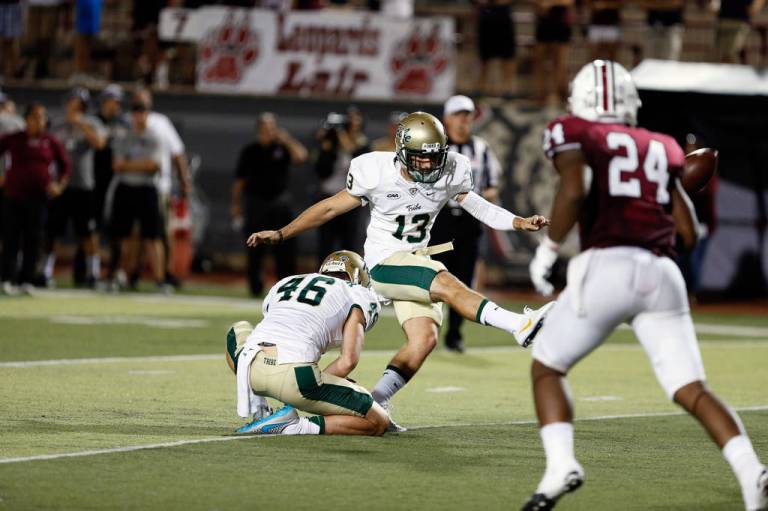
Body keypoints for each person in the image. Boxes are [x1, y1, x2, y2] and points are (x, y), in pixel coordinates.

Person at [523, 60, 767, 510]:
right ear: (631, 102)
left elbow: (574, 189)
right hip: (662, 274)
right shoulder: (662, 145)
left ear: (581, 101)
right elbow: (688, 234)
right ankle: (752, 471)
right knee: (690, 387)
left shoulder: (572, 130)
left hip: (606, 264)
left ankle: (561, 465)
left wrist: (548, 250)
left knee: (547, 367)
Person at [248, 111, 553, 431]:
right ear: (401, 152)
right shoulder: (375, 170)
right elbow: (328, 208)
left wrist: (517, 221)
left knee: (424, 338)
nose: (426, 165)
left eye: (433, 157)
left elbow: (476, 204)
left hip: (416, 257)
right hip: (384, 263)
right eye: (419, 158)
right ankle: (519, 324)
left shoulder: (454, 168)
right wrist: (283, 233)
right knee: (446, 283)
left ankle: (372, 401)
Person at [227, 250, 390, 436]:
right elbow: (348, 361)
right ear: (360, 279)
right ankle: (296, 426)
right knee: (378, 421)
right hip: (295, 377)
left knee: (238, 330)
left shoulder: (288, 281)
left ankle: (260, 410)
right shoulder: (357, 294)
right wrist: (326, 384)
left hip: (248, 369)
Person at [430, 95, 502, 353]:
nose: (463, 121)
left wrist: (476, 198)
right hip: (440, 220)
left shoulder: (481, 148)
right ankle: (427, 333)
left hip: (470, 221)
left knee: (463, 280)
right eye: (458, 115)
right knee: (434, 278)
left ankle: (455, 334)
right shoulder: (436, 147)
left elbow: (493, 186)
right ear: (447, 119)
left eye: (467, 116)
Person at [231, 112, 307, 296]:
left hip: (279, 203)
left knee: (284, 246)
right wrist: (236, 206)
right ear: (259, 129)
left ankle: (286, 288)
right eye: (266, 127)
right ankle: (255, 288)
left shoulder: (282, 148)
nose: (270, 131)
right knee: (255, 248)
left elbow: (302, 156)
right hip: (256, 203)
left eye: (272, 127)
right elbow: (239, 182)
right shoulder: (250, 151)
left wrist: (287, 139)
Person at [0, 104, 70, 295]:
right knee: (11, 238)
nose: (37, 121)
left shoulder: (51, 141)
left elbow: (65, 166)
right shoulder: (14, 138)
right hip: (13, 196)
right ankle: (7, 278)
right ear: (26, 119)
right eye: (34, 117)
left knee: (34, 238)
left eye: (41, 117)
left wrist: (59, 185)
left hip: (38, 198)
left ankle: (27, 280)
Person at [44, 87, 107, 287]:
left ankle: (93, 272)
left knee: (87, 232)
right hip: (61, 185)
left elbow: (99, 144)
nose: (75, 106)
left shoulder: (92, 123)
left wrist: (80, 122)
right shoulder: (57, 124)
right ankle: (45, 270)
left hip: (83, 185)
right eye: (73, 101)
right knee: (53, 231)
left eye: (79, 103)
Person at [131, 88, 191, 288]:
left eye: (143, 102)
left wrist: (184, 181)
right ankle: (132, 273)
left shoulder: (160, 122)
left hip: (158, 186)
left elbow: (177, 152)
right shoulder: (128, 122)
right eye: (137, 102)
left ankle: (166, 274)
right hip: (131, 184)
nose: (140, 106)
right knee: (134, 234)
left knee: (161, 233)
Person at [110, 100, 165, 291]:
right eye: (136, 112)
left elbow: (154, 166)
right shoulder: (125, 136)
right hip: (126, 188)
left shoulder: (155, 136)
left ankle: (160, 281)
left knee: (153, 236)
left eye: (143, 112)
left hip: (147, 189)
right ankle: (121, 275)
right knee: (123, 235)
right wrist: (141, 164)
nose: (139, 116)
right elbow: (117, 164)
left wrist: (129, 164)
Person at [314, 108, 368, 258]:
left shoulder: (361, 144)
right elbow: (321, 171)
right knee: (325, 244)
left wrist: (343, 137)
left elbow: (359, 162)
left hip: (350, 200)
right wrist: (326, 144)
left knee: (350, 244)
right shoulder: (331, 144)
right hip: (328, 196)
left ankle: (350, 278)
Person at [93, 84, 130, 284]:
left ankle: (116, 269)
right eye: (109, 101)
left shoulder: (125, 123)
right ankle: (91, 269)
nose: (113, 105)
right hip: (95, 180)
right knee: (92, 227)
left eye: (116, 101)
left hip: (119, 180)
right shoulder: (94, 120)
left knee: (119, 230)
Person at [532, 0, 574, 104]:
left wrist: (550, 3)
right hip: (544, 24)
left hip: (560, 24)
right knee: (538, 61)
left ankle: (556, 93)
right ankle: (540, 93)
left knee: (559, 62)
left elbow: (568, 2)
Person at [475, 0, 517, 97]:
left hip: (504, 16)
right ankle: (480, 87)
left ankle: (508, 89)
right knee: (484, 57)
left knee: (508, 56)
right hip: (486, 15)